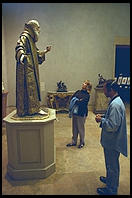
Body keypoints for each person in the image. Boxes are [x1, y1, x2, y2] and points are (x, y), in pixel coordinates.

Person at [95, 79, 128, 195]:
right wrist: (104, 116)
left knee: (112, 165)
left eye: (105, 88)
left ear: (111, 89)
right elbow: (113, 119)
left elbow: (112, 126)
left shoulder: (115, 105)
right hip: (112, 141)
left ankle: (111, 189)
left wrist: (101, 120)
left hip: (113, 142)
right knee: (111, 164)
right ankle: (110, 180)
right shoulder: (116, 101)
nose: (103, 90)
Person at [15, 19, 51, 117]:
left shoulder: (31, 40)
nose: (39, 30)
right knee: (27, 89)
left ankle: (35, 109)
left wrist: (45, 52)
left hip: (32, 70)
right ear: (33, 28)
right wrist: (21, 55)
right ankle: (27, 110)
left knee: (33, 89)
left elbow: (36, 54)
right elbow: (19, 46)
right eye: (38, 28)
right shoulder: (25, 37)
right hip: (26, 70)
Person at [66, 80, 92, 149]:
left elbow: (82, 103)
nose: (83, 84)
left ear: (87, 86)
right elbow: (72, 98)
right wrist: (77, 100)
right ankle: (74, 141)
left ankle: (82, 142)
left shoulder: (87, 95)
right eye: (84, 83)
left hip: (81, 113)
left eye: (85, 83)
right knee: (74, 127)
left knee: (80, 128)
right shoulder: (78, 91)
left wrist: (76, 100)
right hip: (75, 112)